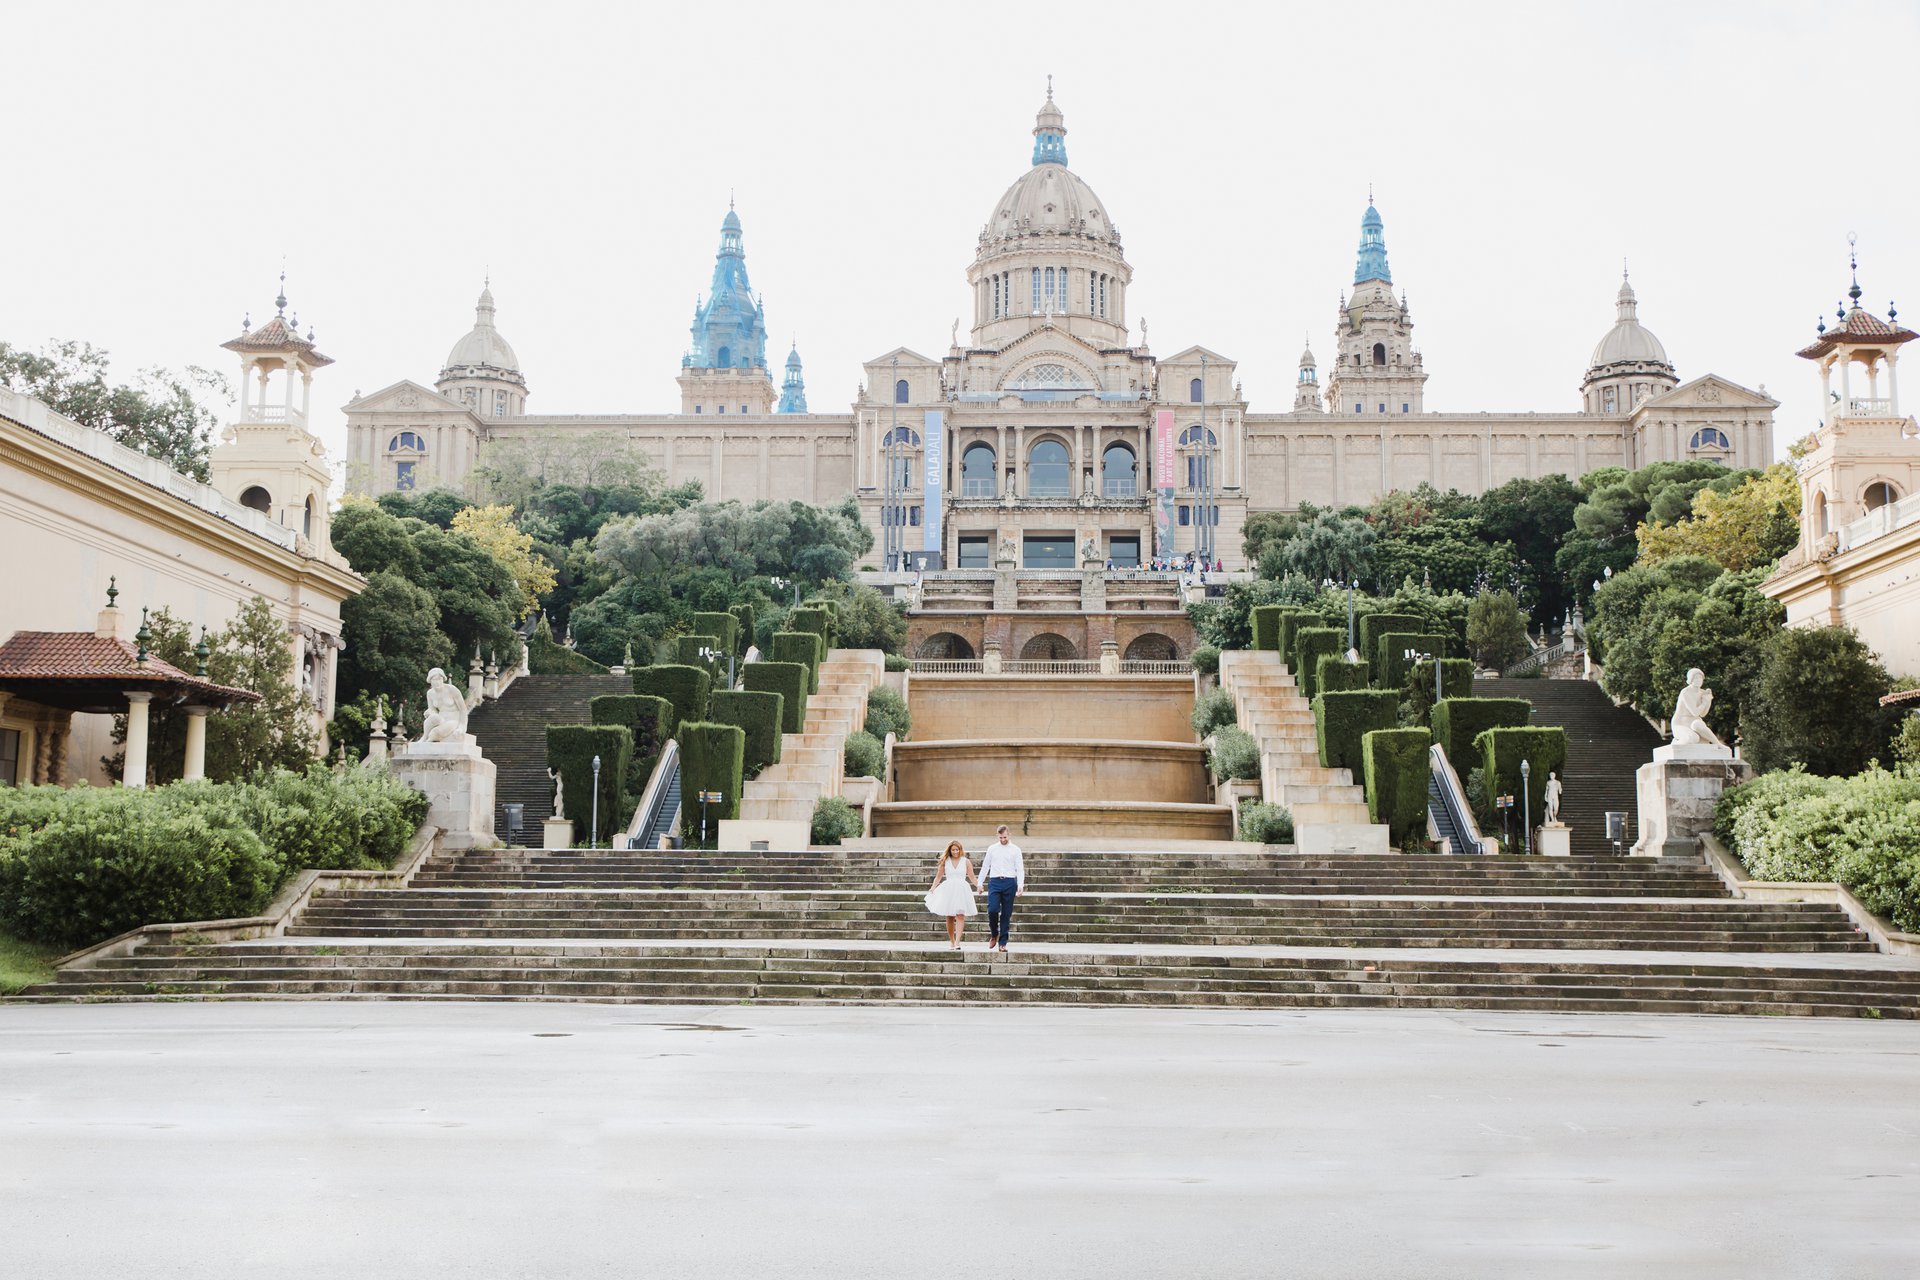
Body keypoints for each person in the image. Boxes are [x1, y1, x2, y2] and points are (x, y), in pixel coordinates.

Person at [977, 824, 1026, 953]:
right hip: (995, 881)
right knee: (992, 909)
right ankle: (994, 933)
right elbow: (985, 866)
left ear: (1009, 835)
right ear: (997, 836)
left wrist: (1020, 885)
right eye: (1000, 837)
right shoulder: (992, 848)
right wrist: (980, 882)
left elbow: (1020, 868)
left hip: (1010, 882)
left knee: (1006, 914)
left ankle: (1003, 943)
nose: (1003, 840)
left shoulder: (1016, 849)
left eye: (1005, 837)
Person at [923, 840, 979, 949]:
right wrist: (933, 887)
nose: (955, 852)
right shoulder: (945, 861)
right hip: (949, 889)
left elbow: (972, 877)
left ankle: (958, 942)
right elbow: (938, 877)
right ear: (950, 850)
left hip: (961, 889)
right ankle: (952, 941)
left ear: (960, 850)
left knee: (960, 915)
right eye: (953, 850)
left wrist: (979, 886)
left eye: (957, 849)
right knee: (949, 916)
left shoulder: (965, 861)